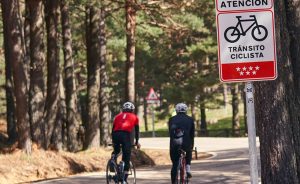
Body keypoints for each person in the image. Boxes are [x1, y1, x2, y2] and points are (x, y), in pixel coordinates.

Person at [112, 101, 141, 183]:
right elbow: (136, 131)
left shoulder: (117, 116)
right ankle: (124, 178)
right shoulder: (135, 117)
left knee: (116, 151)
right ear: (132, 110)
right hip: (125, 135)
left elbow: (113, 129)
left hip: (115, 134)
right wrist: (137, 141)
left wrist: (113, 141)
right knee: (126, 156)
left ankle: (113, 159)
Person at [168, 103, 195, 184]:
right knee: (189, 151)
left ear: (176, 110)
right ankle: (188, 168)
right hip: (186, 143)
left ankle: (173, 182)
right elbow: (192, 134)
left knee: (175, 163)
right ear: (186, 110)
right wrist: (191, 146)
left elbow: (170, 133)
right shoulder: (190, 119)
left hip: (174, 144)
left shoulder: (171, 119)